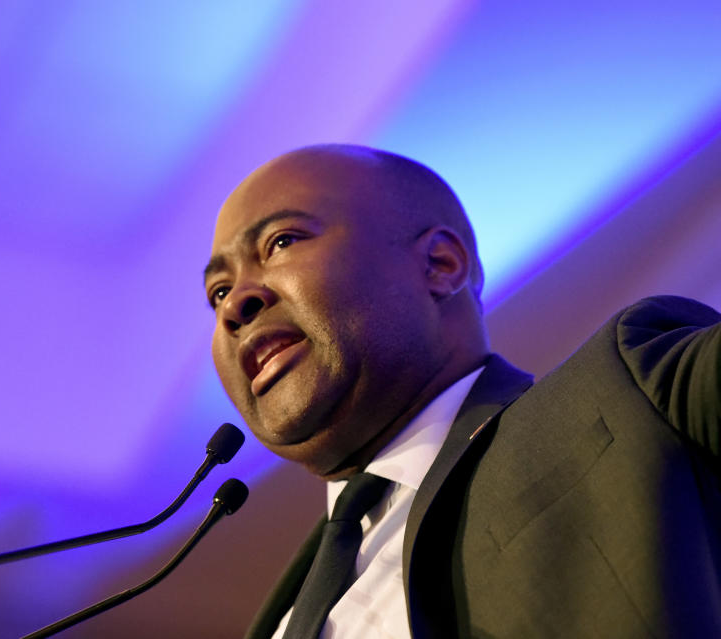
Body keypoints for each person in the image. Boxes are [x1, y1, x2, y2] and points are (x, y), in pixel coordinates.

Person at [203, 144, 721, 638]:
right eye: (218, 292)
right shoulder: (278, 620)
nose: (234, 305)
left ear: (440, 265)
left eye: (282, 242)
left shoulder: (628, 395)